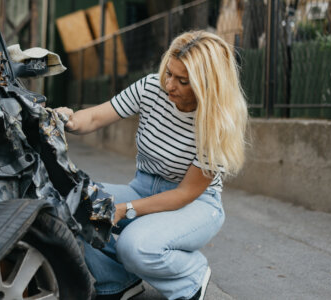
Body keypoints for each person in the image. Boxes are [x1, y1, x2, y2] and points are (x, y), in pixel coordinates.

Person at [55, 31, 248, 300]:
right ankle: (117, 282)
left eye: (183, 81)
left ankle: (190, 276)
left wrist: (124, 210)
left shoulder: (217, 122)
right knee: (71, 206)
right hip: (144, 187)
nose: (169, 85)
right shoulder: (151, 88)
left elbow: (183, 194)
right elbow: (98, 116)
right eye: (169, 73)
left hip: (196, 204)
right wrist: (68, 120)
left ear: (208, 85)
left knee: (135, 247)